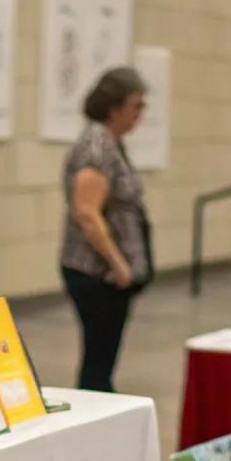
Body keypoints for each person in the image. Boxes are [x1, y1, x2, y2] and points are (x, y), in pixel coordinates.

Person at [60, 67, 154, 391]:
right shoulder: (97, 147)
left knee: (102, 360)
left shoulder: (110, 143)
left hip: (106, 275)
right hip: (97, 274)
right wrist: (119, 264)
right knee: (98, 363)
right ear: (114, 107)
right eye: (136, 106)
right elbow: (87, 212)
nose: (139, 115)